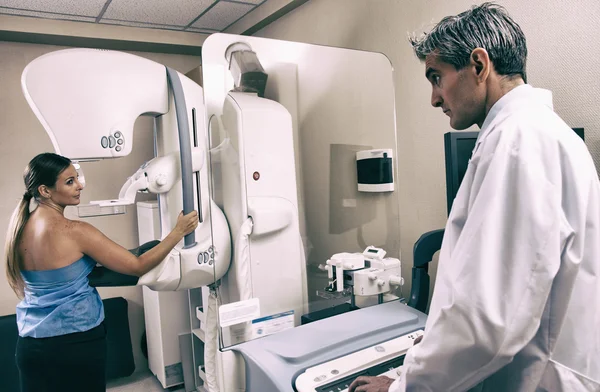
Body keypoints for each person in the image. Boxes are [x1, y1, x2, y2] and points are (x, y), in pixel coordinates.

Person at [350, 2, 599, 391]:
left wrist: (401, 387)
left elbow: (487, 321)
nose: (434, 98)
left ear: (479, 66)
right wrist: (423, 357)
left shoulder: (518, 142)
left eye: (437, 77)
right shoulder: (542, 133)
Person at [4, 152, 199, 392]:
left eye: (77, 178)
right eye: (70, 182)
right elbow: (137, 266)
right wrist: (178, 232)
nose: (80, 186)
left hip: (30, 346)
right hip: (76, 344)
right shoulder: (75, 231)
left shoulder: (18, 229)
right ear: (45, 191)